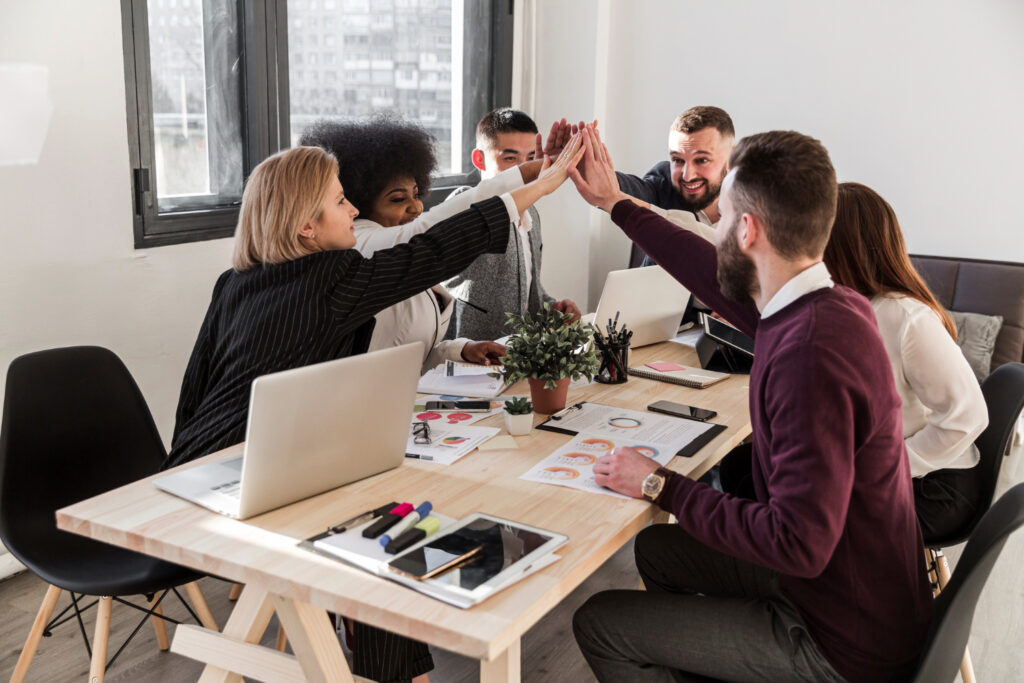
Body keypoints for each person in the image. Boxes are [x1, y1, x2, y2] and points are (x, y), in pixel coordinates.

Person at [165, 140, 584, 682]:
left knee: (383, 530)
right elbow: (432, 250)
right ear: (306, 228)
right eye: (341, 202)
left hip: (210, 465)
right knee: (383, 546)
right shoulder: (331, 277)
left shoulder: (236, 282)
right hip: (239, 480)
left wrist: (176, 464)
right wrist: (536, 189)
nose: (355, 211)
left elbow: (193, 388)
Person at [567, 126, 932, 682]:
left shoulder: (808, 354)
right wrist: (615, 202)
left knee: (600, 622)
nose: (713, 234)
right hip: (854, 592)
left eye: (722, 220)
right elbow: (706, 273)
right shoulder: (829, 304)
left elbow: (798, 543)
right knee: (660, 550)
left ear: (749, 230)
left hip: (842, 641)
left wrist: (659, 483)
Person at [824, 182, 988, 539]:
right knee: (751, 476)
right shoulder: (851, 307)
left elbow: (969, 416)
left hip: (934, 489)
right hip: (896, 469)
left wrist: (879, 468)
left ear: (841, 247)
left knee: (795, 510)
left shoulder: (905, 317)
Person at [299, 115, 511, 373]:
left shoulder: (405, 253)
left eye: (416, 193)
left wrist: (461, 350)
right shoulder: (364, 249)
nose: (417, 206)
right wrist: (535, 178)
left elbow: (412, 352)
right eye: (399, 199)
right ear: (361, 204)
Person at [442, 107, 580, 340]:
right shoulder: (462, 206)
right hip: (466, 360)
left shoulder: (532, 216)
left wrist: (554, 309)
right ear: (480, 159)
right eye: (510, 158)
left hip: (517, 356)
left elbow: (528, 295)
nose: (523, 169)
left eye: (530, 159)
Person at [616, 107, 735, 261]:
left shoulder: (758, 201)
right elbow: (631, 190)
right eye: (678, 160)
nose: (687, 175)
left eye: (702, 160)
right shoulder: (663, 185)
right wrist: (594, 173)